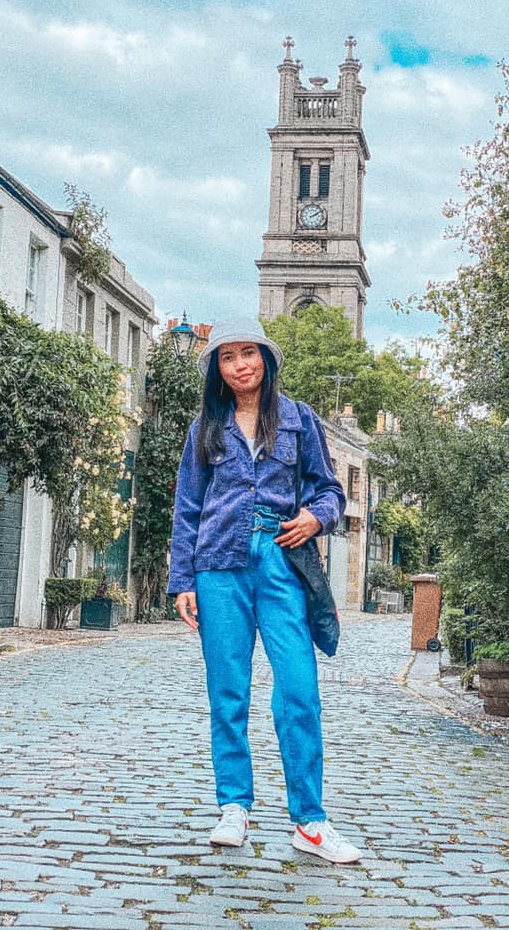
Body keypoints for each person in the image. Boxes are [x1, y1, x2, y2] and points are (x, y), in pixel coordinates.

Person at [168, 316, 363, 864]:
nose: (240, 365)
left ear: (266, 358)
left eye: (248, 353)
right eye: (228, 357)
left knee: (299, 688)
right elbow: (187, 508)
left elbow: (329, 491)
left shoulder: (299, 420)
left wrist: (316, 518)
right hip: (218, 565)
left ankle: (310, 821)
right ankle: (234, 806)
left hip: (280, 561)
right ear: (218, 368)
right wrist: (182, 580)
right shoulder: (205, 427)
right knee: (227, 691)